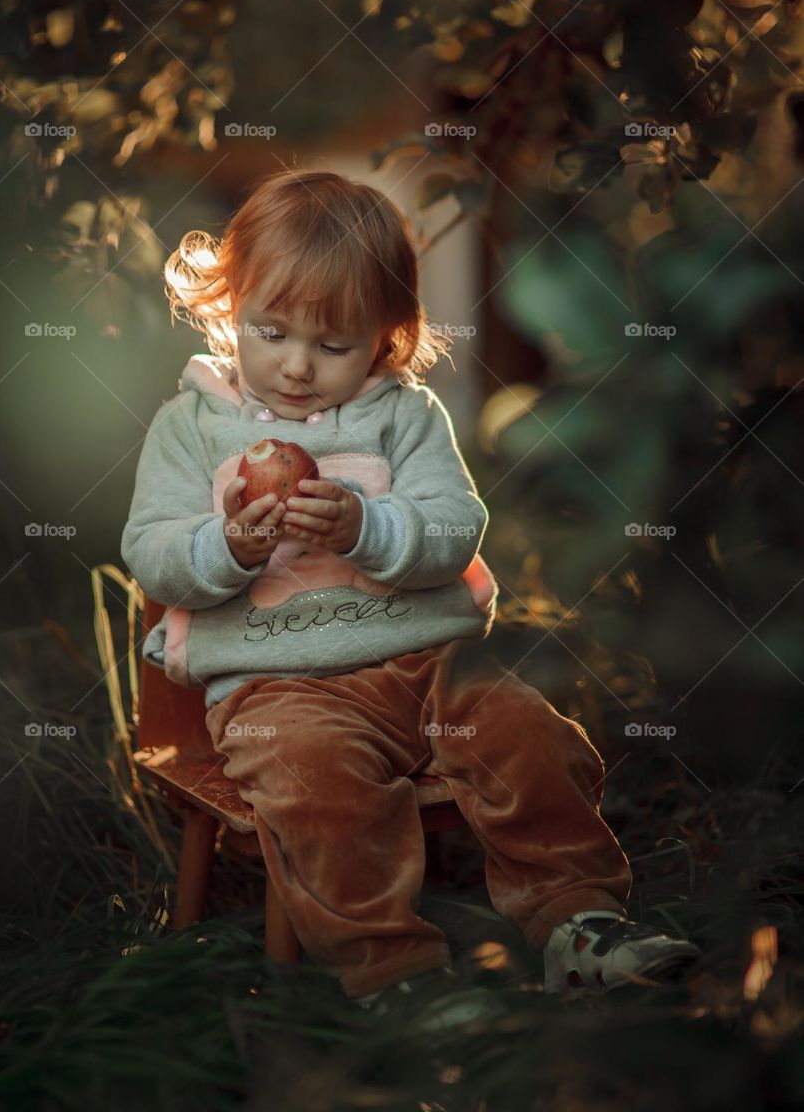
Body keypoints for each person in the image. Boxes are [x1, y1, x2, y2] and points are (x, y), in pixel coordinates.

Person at [121, 169, 700, 1009]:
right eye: (270, 330)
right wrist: (231, 543)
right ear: (229, 305)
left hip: (425, 668)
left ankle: (579, 920)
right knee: (315, 781)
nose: (294, 366)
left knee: (525, 729)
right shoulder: (189, 427)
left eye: (332, 344)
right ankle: (399, 977)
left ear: (387, 338)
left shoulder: (404, 414)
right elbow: (155, 554)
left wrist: (365, 528)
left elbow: (454, 524)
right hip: (276, 687)